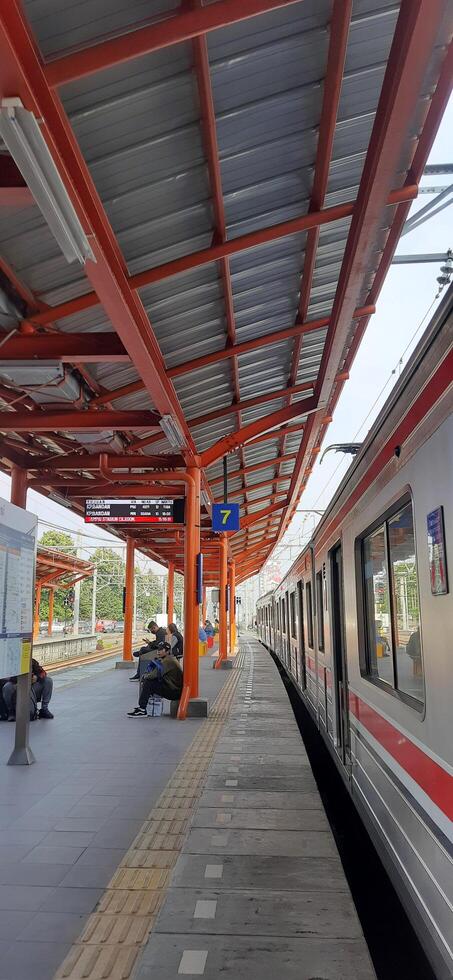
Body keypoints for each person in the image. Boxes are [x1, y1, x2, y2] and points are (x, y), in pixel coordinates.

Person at [127, 643, 183, 717]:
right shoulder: (170, 658)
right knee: (150, 682)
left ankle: (142, 709)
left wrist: (145, 676)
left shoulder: (168, 661)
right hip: (175, 689)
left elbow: (153, 675)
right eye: (158, 649)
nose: (158, 652)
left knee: (148, 682)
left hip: (174, 692)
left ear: (167, 651)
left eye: (161, 650)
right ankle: (144, 708)